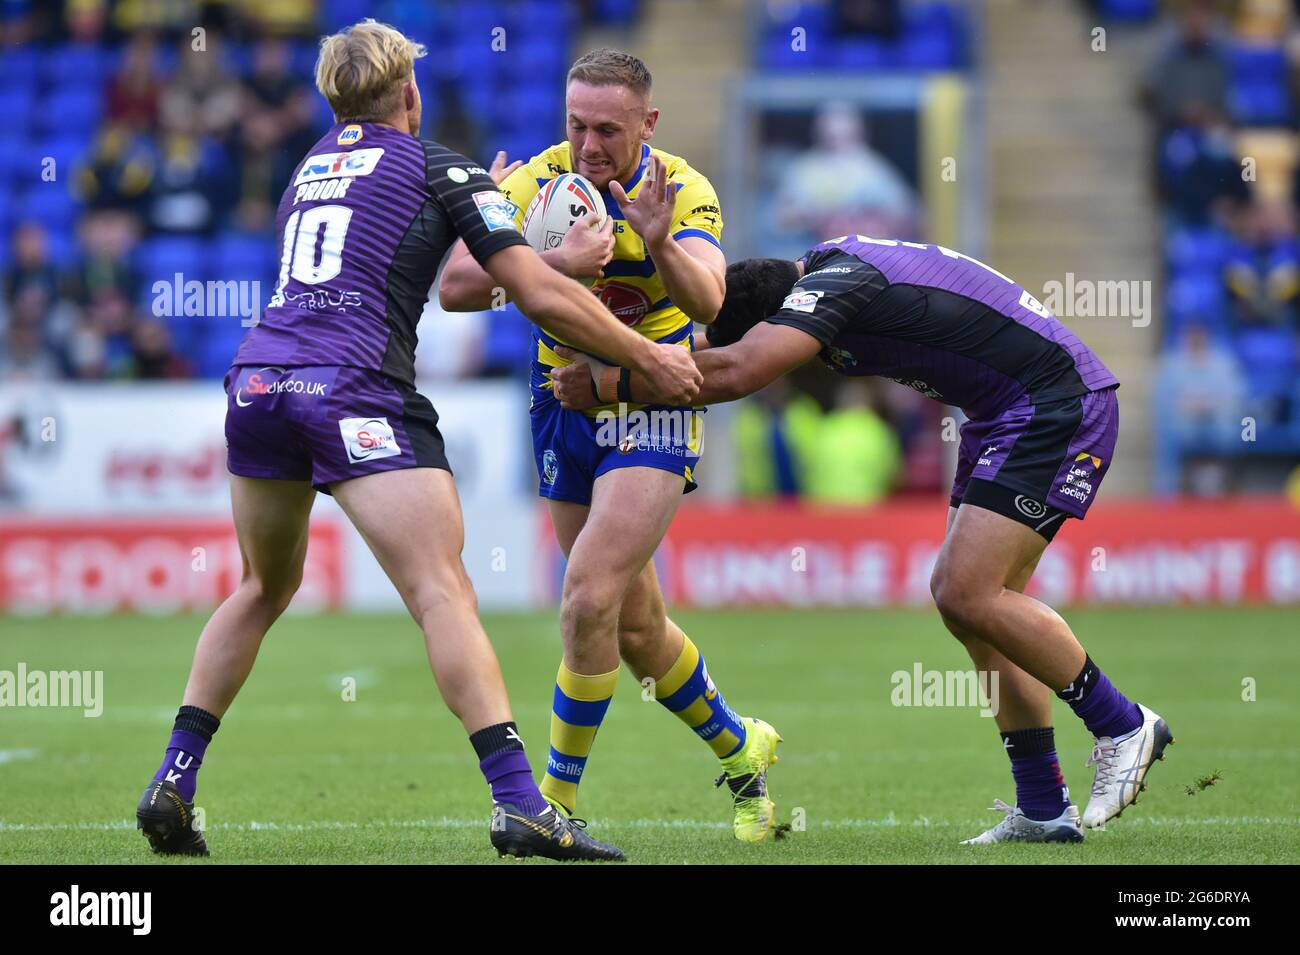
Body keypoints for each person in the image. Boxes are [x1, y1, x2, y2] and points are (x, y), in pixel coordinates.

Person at [134, 19, 700, 864]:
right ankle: (523, 805)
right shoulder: (440, 163)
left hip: (257, 382)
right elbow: (532, 297)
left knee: (259, 586)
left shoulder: (308, 169)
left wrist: (503, 217)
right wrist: (648, 354)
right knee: (441, 591)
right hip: (351, 388)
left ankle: (174, 777)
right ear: (410, 93)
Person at [552, 235, 1176, 843]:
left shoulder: (832, 288)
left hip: (1052, 404)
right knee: (979, 613)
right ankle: (1043, 806)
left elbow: (734, 369)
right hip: (1003, 412)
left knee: (965, 592)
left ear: (774, 320)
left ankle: (1121, 724)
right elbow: (706, 353)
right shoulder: (815, 282)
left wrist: (611, 387)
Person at [439, 49, 783, 842]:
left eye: (607, 129)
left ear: (647, 125)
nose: (589, 146)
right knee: (631, 625)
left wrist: (658, 241)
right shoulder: (538, 181)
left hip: (652, 396)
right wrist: (554, 263)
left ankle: (550, 805)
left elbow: (710, 298)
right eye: (576, 125)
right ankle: (742, 749)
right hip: (561, 400)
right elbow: (457, 286)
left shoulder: (683, 188)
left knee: (588, 595)